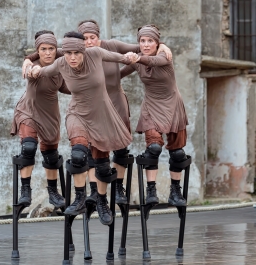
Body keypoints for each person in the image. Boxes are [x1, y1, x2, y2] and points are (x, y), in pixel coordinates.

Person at [22, 20, 173, 208]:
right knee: (84, 153)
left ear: (98, 37)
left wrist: (161, 46)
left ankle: (115, 190)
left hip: (111, 104)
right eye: (84, 38)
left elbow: (139, 50)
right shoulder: (69, 56)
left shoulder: (102, 50)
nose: (88, 42)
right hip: (82, 109)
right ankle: (87, 195)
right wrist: (31, 61)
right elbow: (50, 52)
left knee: (115, 151)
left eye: (92, 37)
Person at [28, 31, 138, 225]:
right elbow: (44, 65)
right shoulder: (61, 63)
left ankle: (101, 201)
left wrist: (131, 57)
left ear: (83, 51)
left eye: (76, 53)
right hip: (77, 114)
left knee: (102, 167)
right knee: (78, 156)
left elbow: (123, 58)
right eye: (68, 53)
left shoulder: (95, 53)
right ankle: (80, 198)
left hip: (101, 115)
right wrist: (31, 66)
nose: (72, 57)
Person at [120, 25, 188, 206]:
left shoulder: (164, 56)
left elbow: (153, 62)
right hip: (151, 106)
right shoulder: (138, 60)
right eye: (142, 41)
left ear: (157, 43)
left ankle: (175, 191)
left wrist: (137, 57)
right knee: (154, 149)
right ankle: (151, 190)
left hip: (173, 105)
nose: (146, 44)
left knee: (177, 152)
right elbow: (119, 72)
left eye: (150, 41)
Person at [11, 30, 71, 210]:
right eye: (43, 49)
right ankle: (25, 190)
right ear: (38, 50)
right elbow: (31, 72)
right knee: (28, 148)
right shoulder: (32, 66)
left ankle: (53, 192)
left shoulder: (61, 63)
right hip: (28, 111)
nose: (47, 52)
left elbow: (66, 85)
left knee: (51, 156)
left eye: (51, 48)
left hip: (50, 114)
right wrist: (30, 64)